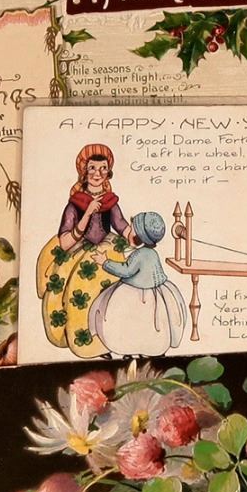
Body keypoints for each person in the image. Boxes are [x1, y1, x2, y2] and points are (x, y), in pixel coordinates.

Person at [92, 210, 188, 352]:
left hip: (133, 292)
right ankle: (149, 347)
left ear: (139, 237)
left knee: (130, 319)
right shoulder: (153, 253)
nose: (128, 232)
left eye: (131, 229)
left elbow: (126, 270)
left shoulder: (140, 254)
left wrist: (105, 262)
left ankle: (130, 347)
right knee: (148, 323)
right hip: (156, 292)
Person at [54, 144, 132, 254]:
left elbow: (121, 225)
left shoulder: (109, 200)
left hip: (106, 249)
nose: (98, 174)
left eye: (103, 168)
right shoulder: (75, 203)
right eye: (92, 168)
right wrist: (88, 213)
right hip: (78, 251)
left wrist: (139, 236)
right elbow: (64, 243)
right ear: (84, 171)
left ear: (108, 172)